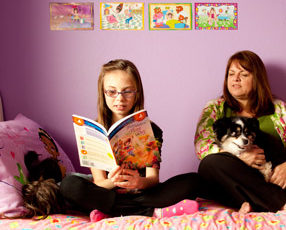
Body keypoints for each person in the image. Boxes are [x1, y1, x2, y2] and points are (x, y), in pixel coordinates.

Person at [60, 59, 201, 221]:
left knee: (193, 181)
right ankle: (151, 212)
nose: (120, 98)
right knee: (69, 186)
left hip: (143, 194)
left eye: (127, 91)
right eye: (112, 92)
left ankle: (112, 211)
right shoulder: (93, 130)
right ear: (103, 93)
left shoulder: (151, 130)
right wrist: (113, 181)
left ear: (137, 93)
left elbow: (153, 179)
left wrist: (139, 182)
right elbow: (99, 182)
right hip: (107, 193)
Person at [195, 50, 286, 214]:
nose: (235, 79)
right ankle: (278, 202)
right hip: (237, 177)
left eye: (243, 74)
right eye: (231, 74)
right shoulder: (215, 108)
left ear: (257, 79)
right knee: (209, 164)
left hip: (275, 178)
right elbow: (202, 146)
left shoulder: (278, 108)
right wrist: (240, 156)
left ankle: (252, 203)